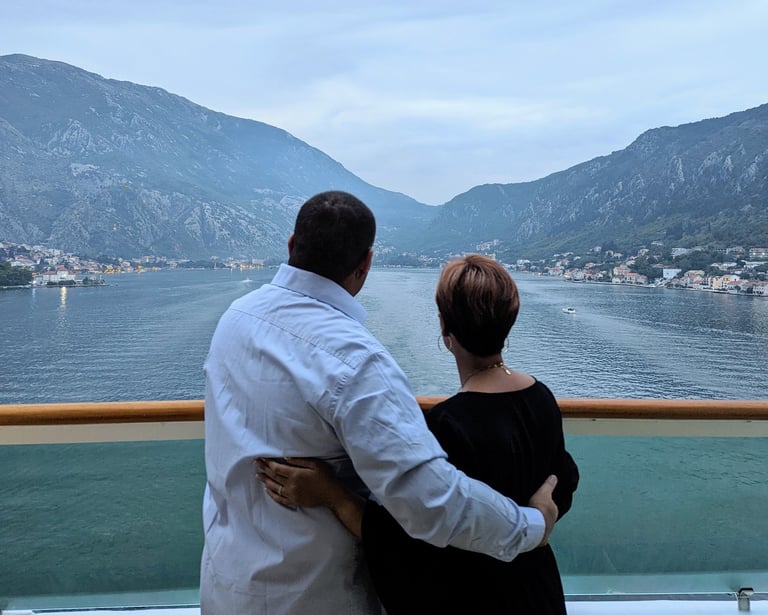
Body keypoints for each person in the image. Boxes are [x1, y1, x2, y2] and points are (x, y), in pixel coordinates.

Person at [200, 191, 559, 614]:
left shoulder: (235, 320)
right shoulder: (355, 360)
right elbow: (431, 501)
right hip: (315, 595)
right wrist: (531, 526)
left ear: (292, 246)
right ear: (366, 264)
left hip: (227, 584)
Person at [259, 253, 579, 614]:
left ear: (444, 328)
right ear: (509, 319)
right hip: (539, 593)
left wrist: (332, 495)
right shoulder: (542, 398)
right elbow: (560, 483)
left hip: (477, 600)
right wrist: (537, 522)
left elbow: (405, 542)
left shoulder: (445, 425)